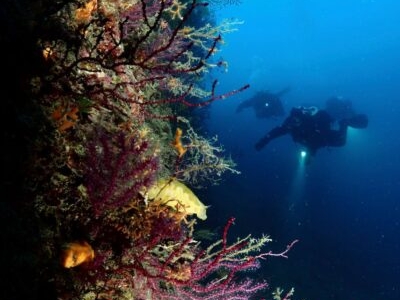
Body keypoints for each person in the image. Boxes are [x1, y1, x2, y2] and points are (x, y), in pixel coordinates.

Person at [254, 105, 368, 163]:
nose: (294, 123)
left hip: (322, 134)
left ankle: (345, 123)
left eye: (297, 121)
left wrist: (311, 155)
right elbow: (275, 132)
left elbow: (315, 142)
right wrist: (264, 141)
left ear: (302, 119)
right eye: (293, 120)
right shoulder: (289, 124)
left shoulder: (309, 124)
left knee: (341, 142)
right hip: (311, 140)